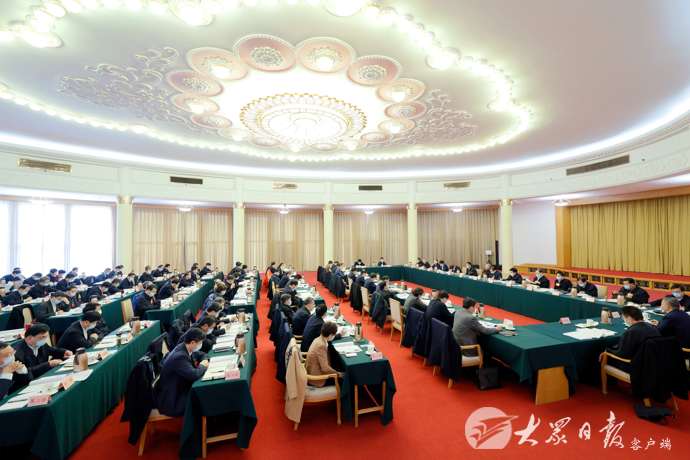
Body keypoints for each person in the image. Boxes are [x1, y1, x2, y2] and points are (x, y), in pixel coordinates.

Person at [155, 327, 208, 417]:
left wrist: (204, 360)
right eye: (200, 343)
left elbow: (202, 354)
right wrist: (203, 365)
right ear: (192, 342)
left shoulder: (185, 347)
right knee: (203, 396)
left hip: (180, 388)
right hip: (174, 399)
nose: (201, 345)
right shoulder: (179, 357)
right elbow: (194, 375)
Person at [603, 305, 660, 372]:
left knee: (604, 355)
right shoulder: (653, 327)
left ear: (629, 318)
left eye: (624, 318)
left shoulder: (631, 332)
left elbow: (623, 354)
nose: (624, 320)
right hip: (655, 364)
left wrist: (607, 350)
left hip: (636, 367)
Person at [305, 322, 343, 387]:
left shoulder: (318, 339)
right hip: (318, 379)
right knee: (344, 379)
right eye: (334, 335)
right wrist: (339, 374)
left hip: (313, 370)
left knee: (337, 365)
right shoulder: (321, 345)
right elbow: (325, 368)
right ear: (330, 335)